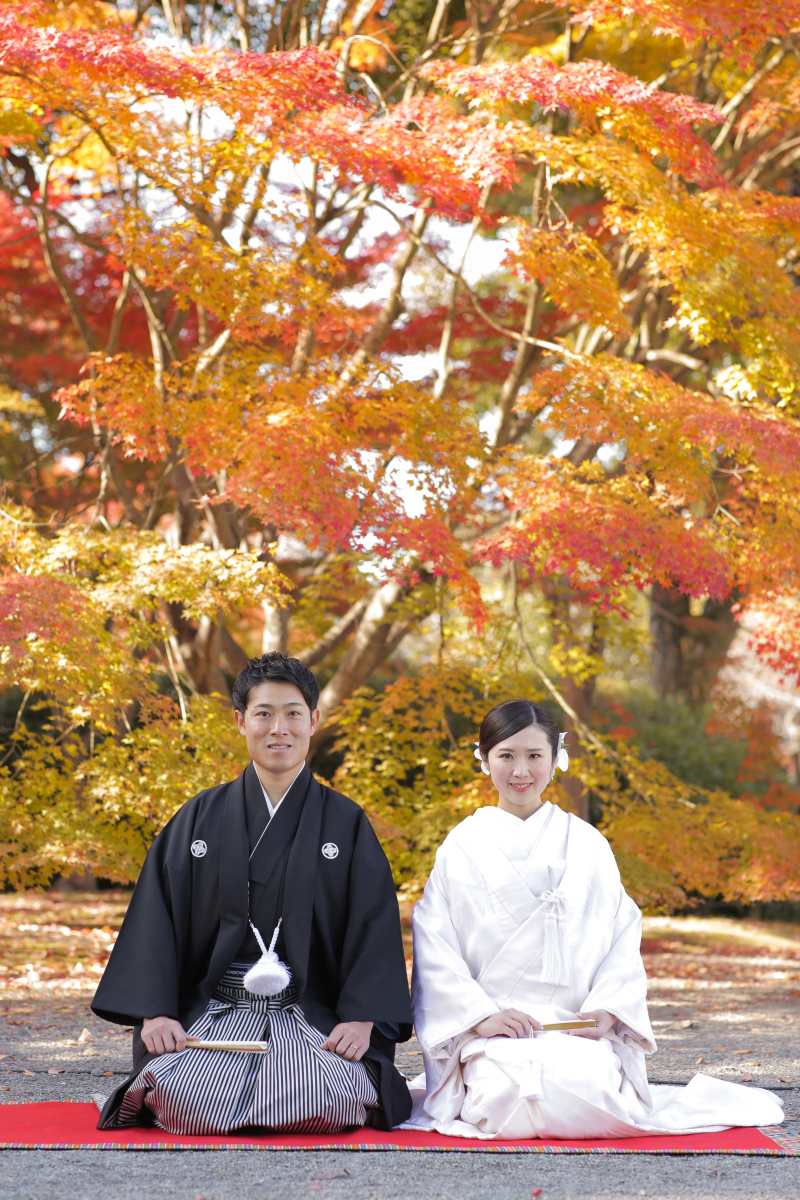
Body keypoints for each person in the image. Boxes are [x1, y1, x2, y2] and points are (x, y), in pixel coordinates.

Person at [406, 699, 784, 1140]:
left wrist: (608, 1008)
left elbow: (622, 934)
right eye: (506, 755)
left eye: (534, 756)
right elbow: (434, 944)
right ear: (485, 760)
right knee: (502, 1100)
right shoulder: (461, 846)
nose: (521, 771)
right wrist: (479, 1017)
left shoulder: (587, 843)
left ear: (556, 758)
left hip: (575, 1030)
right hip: (495, 1034)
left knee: (583, 1087)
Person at [92, 652, 413, 1135]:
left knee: (320, 1099)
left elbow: (374, 925)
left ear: (314, 720)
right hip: (216, 1011)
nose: (278, 727)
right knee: (190, 1100)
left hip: (310, 1014)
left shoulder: (345, 822)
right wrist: (155, 1011)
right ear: (241, 721)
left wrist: (363, 1018)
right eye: (264, 713)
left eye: (293, 713)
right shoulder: (199, 817)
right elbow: (157, 918)